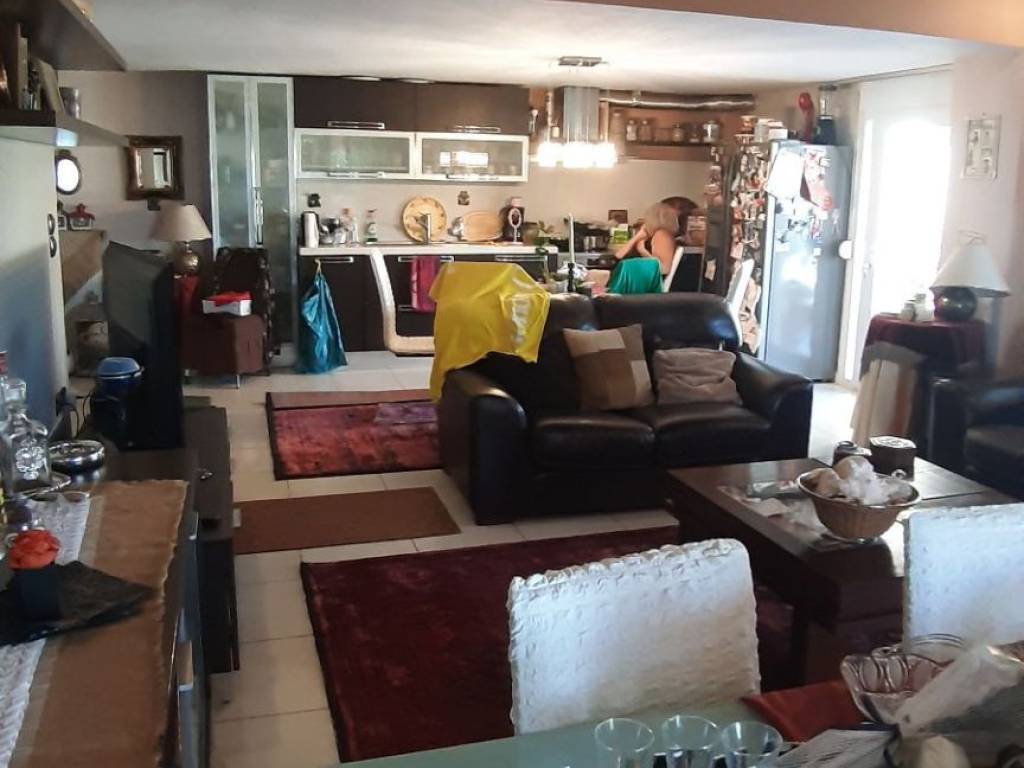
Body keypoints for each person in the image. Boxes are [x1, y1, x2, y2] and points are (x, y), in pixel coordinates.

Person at [613, 201, 681, 276]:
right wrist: (637, 236)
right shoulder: (652, 234)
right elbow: (617, 256)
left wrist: (643, 251)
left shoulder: (662, 235)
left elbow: (664, 269)